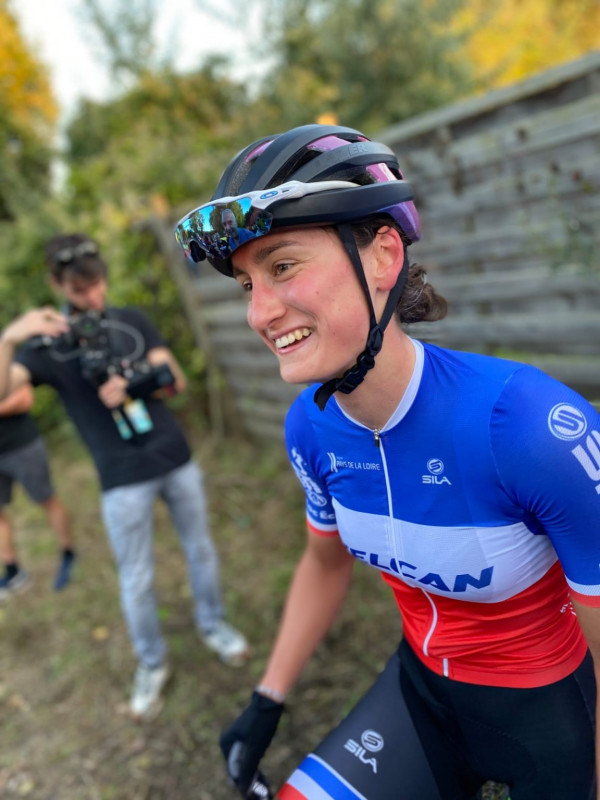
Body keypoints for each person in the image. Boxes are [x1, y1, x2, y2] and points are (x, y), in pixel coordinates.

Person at [174, 124, 600, 800]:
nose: (259, 312)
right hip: (421, 693)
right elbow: (324, 562)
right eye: (247, 284)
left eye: (282, 266)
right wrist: (268, 697)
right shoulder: (310, 426)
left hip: (551, 715)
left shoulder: (526, 427)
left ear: (382, 255)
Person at [0, 234, 249, 721]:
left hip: (173, 457)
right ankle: (152, 663)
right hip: (121, 476)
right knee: (136, 576)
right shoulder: (46, 347)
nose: (93, 297)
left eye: (98, 285)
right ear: (57, 285)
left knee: (199, 548)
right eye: (80, 291)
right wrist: (9, 339)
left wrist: (132, 383)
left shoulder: (130, 320)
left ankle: (213, 625)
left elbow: (173, 378)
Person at [0, 383, 76, 598]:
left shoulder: (5, 364)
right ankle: (13, 570)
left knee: (46, 499)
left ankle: (68, 552)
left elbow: (24, 398)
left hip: (21, 445)